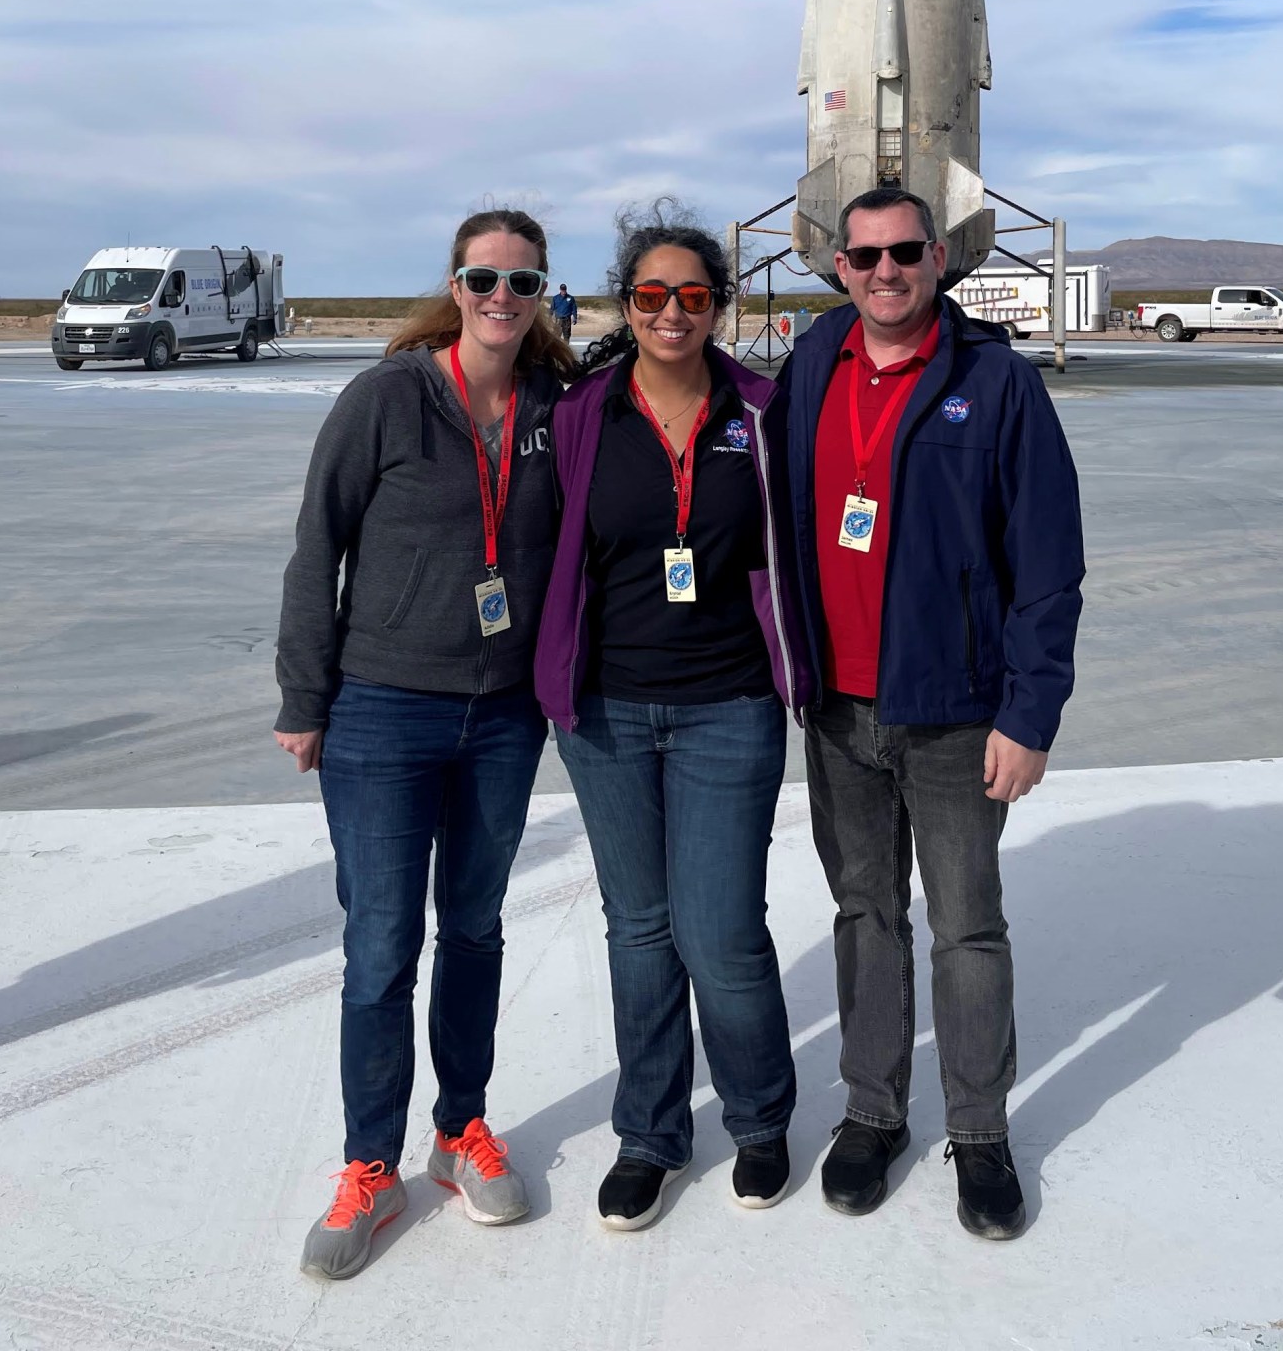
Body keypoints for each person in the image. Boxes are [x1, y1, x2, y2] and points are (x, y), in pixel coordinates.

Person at [274, 210, 576, 1280]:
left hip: (501, 714)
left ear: (544, 291)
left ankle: (460, 1129)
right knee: (380, 945)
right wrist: (304, 695)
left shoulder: (555, 405)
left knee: (479, 927)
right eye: (484, 275)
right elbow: (320, 544)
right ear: (455, 284)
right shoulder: (387, 397)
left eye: (523, 278)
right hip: (384, 709)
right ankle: (368, 1164)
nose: (503, 293)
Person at [781, 186, 1084, 1237]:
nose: (883, 271)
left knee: (967, 926)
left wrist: (1030, 713)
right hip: (835, 708)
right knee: (864, 914)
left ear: (940, 256)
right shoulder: (811, 365)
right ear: (838, 267)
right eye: (862, 256)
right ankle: (871, 1110)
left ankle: (980, 1128)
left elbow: (1048, 565)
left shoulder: (994, 382)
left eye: (904, 250)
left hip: (956, 710)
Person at [534, 205, 812, 1231]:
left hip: (728, 704)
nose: (671, 312)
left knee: (723, 932)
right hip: (604, 708)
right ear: (625, 303)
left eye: (693, 295)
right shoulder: (584, 413)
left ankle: (759, 1117)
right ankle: (650, 1133)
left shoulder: (762, 410)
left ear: (717, 308)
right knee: (641, 930)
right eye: (650, 295)